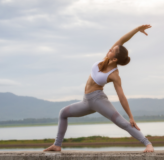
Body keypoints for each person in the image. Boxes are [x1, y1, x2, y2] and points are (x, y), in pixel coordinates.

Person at [43, 24, 154, 153]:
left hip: (98, 100)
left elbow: (121, 96)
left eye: (112, 50)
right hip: (86, 101)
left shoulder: (114, 75)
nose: (110, 49)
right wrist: (136, 29)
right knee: (63, 113)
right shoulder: (105, 60)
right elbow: (123, 39)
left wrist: (131, 117)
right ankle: (57, 145)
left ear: (115, 58)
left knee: (122, 123)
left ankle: (148, 144)